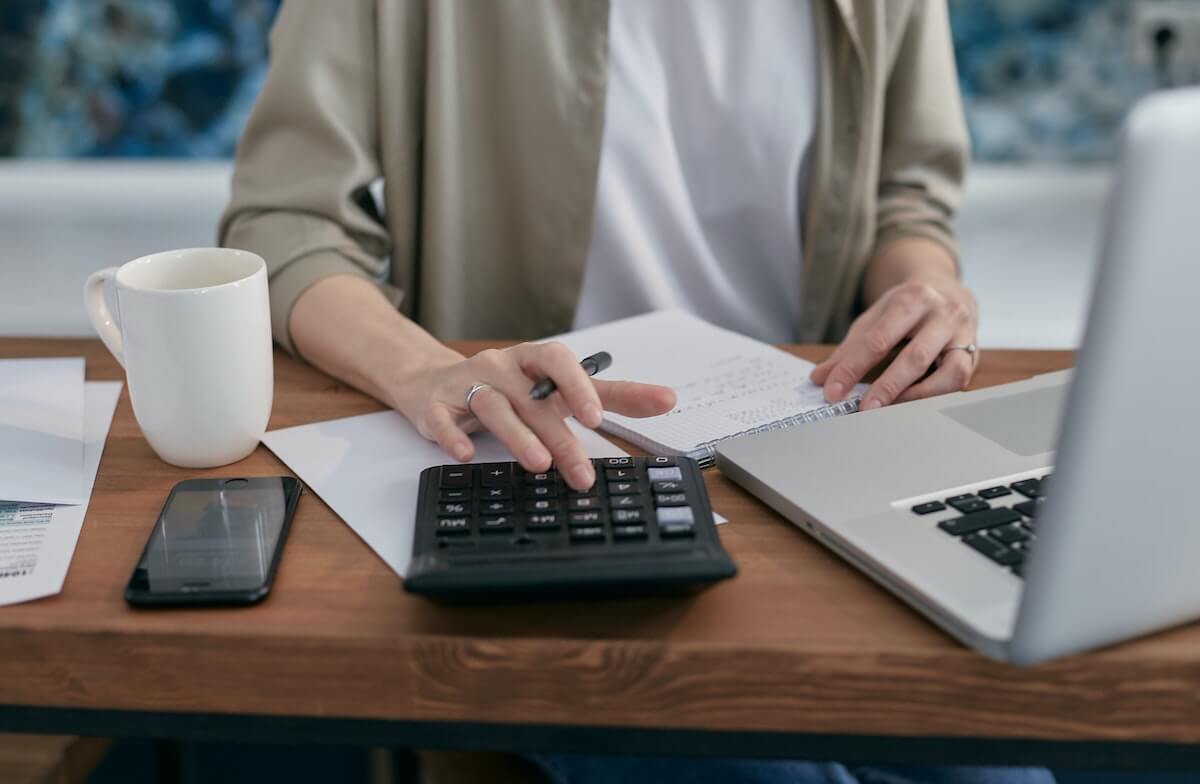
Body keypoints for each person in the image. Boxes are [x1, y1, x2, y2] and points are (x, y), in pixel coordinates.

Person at [221, 2, 1046, 783]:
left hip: (810, 459)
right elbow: (286, 222)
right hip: (549, 471)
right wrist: (426, 368)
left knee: (995, 764)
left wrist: (929, 292)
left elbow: (909, 199)